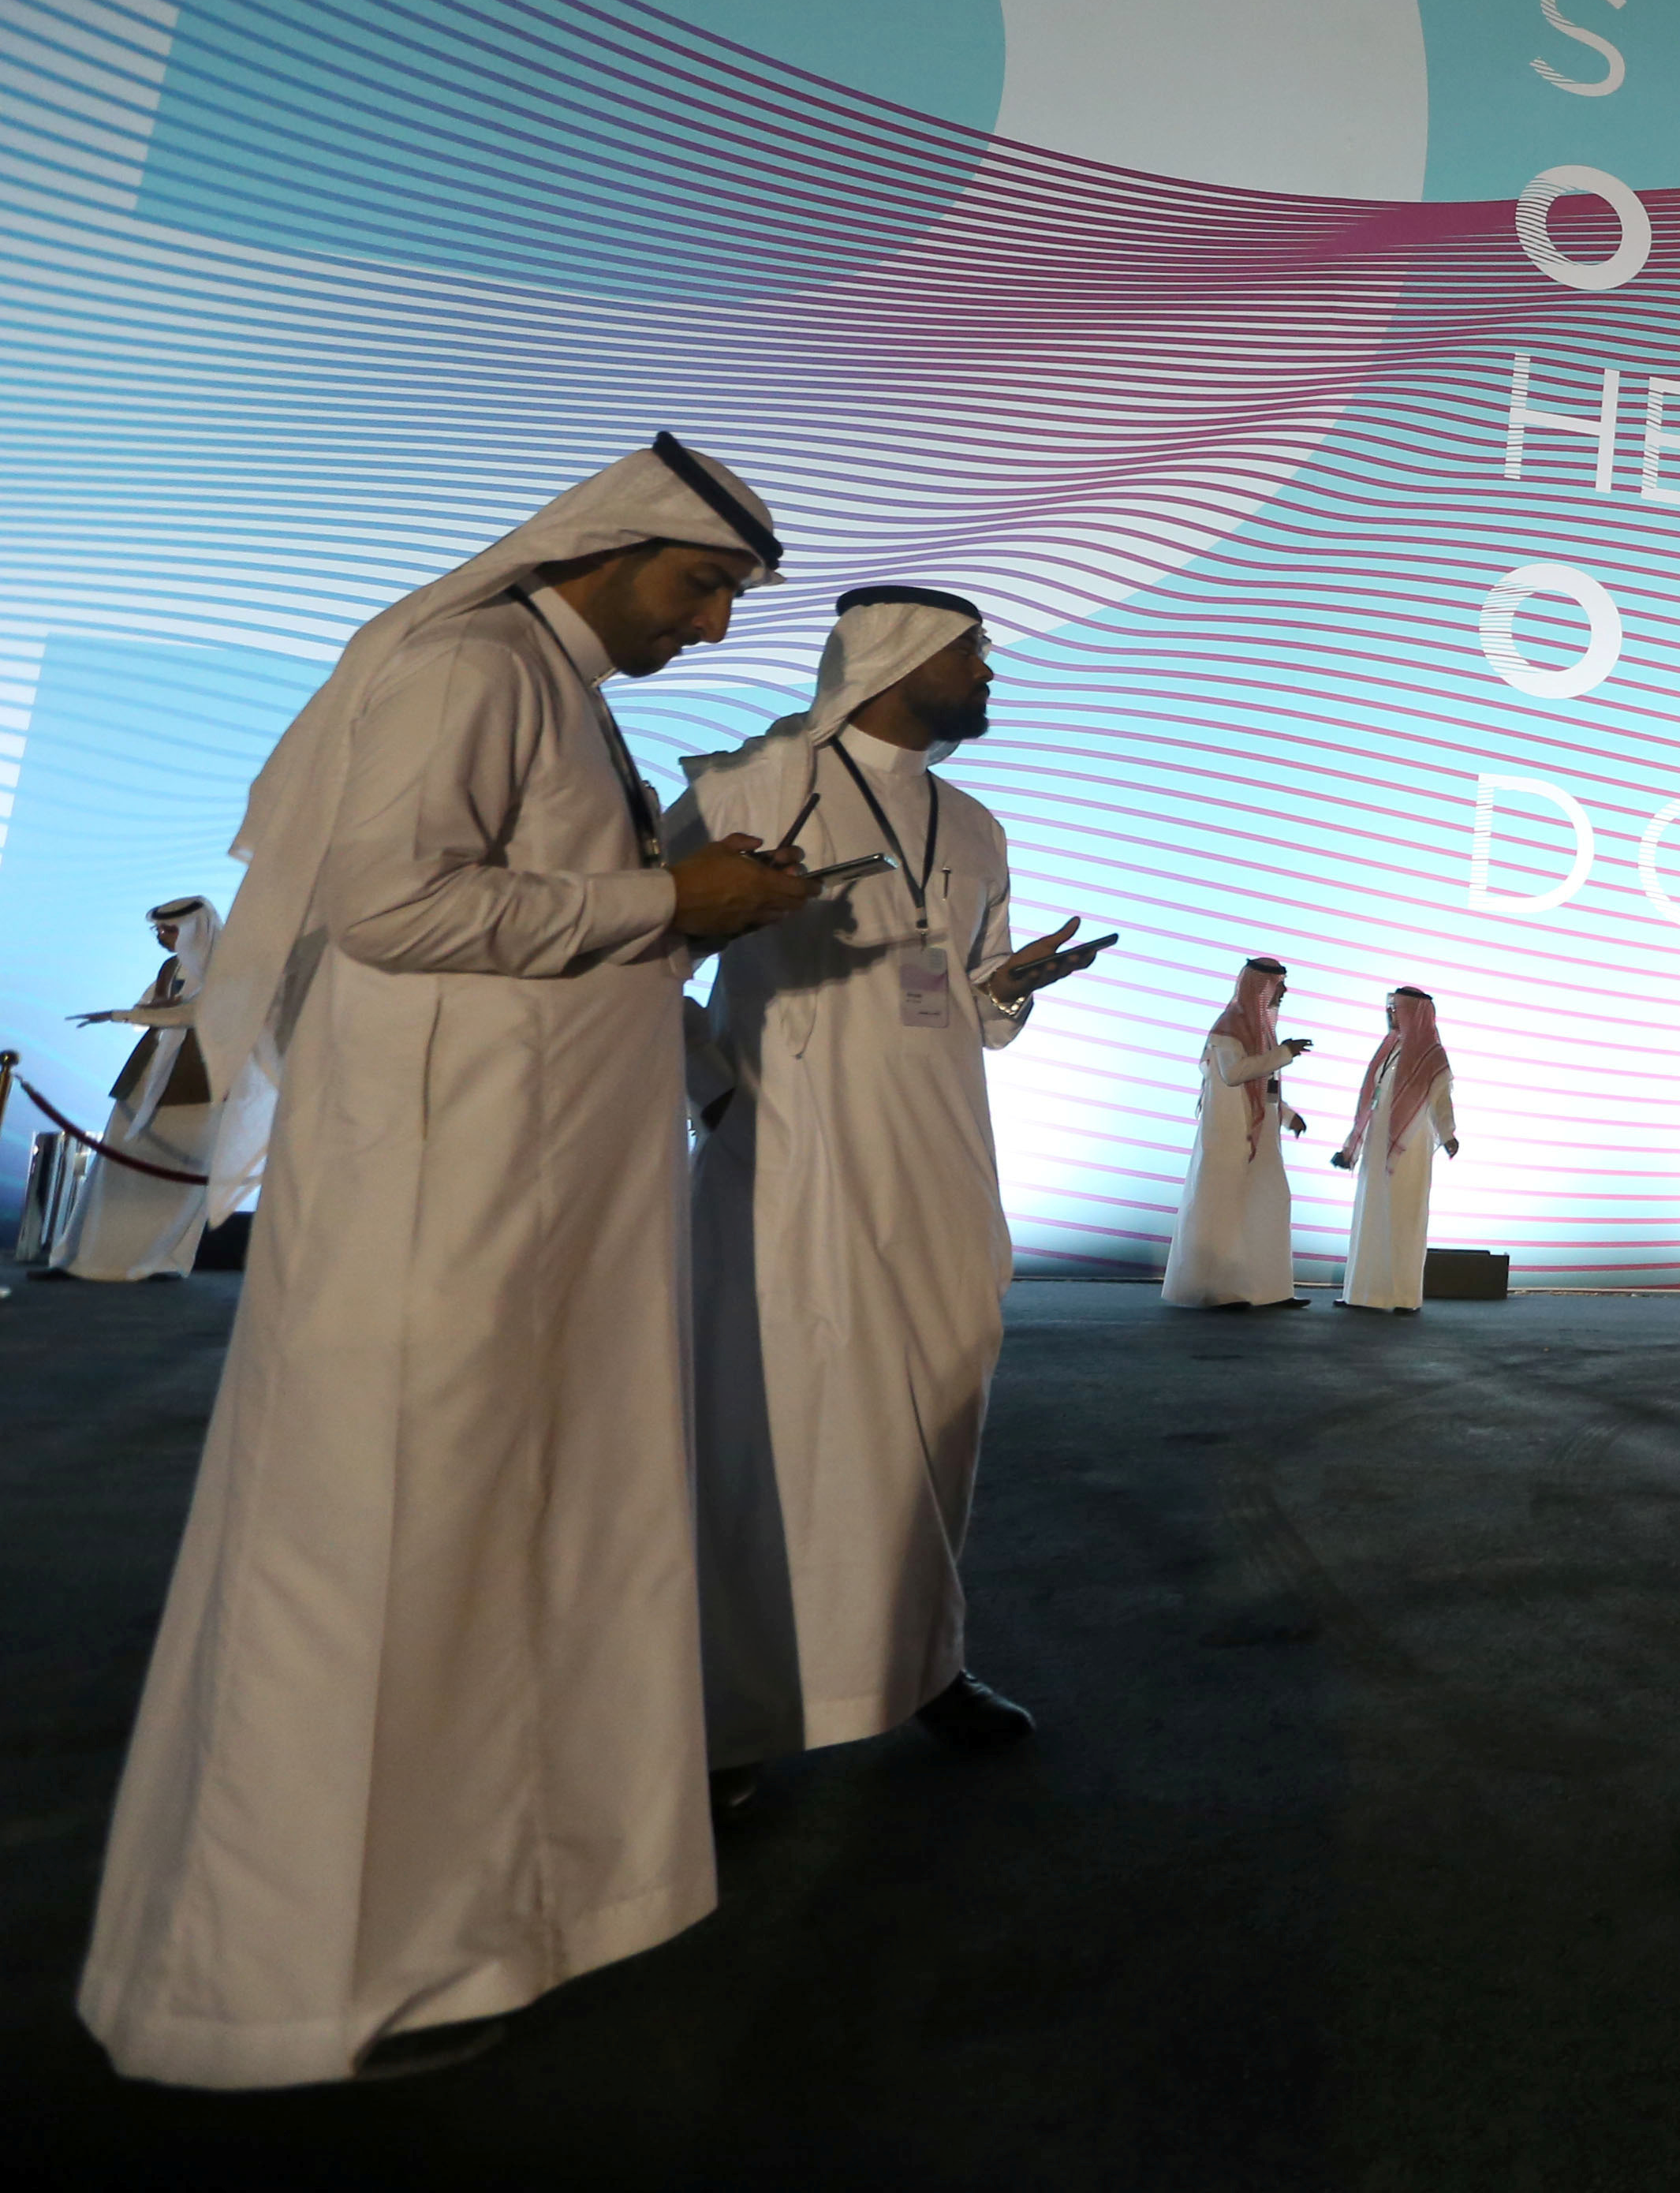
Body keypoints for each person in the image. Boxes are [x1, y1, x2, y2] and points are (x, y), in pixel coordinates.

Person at [80, 435, 813, 2088]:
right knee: (382, 1551)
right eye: (699, 588)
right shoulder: (472, 664)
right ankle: (292, 1986)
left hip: (521, 1202)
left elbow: (538, 905)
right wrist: (661, 899)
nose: (709, 630)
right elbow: (391, 904)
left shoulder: (555, 690)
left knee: (489, 1544)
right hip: (439, 1205)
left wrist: (686, 909)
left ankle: (453, 1927)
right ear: (606, 551)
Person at [674, 585, 1098, 1788]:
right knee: (779, 1432)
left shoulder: (973, 824)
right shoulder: (748, 787)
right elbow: (629, 953)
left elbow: (963, 1003)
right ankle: (732, 1718)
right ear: (893, 659)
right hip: (790, 1164)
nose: (988, 675)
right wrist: (711, 1094)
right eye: (971, 655)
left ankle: (921, 1663)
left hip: (944, 1162)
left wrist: (1007, 989)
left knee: (939, 1412)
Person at [58, 897, 220, 1280]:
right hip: (148, 1072)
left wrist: (124, 1014)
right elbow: (150, 1008)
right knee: (117, 1161)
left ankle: (162, 1261)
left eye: (169, 930)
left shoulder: (226, 969)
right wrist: (143, 1011)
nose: (162, 938)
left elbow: (193, 1015)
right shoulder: (172, 966)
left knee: (179, 1169)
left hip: (197, 1079)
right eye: (159, 931)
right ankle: (88, 1258)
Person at [1164, 961, 1309, 1308]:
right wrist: (1284, 1054)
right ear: (1260, 989)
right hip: (1229, 1132)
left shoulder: (1260, 1031)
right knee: (1225, 1207)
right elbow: (1234, 1074)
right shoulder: (1228, 1030)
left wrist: (1287, 1116)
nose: (1284, 993)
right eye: (1278, 986)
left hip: (1260, 1134)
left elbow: (1264, 1086)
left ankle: (1269, 1290)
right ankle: (1217, 1290)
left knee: (1269, 1203)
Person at [1330, 985, 1459, 1315]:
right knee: (1372, 1213)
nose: (1390, 1015)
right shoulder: (1388, 1050)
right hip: (1377, 1143)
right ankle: (1364, 1292)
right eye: (1389, 1009)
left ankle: (1400, 1295)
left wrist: (1448, 1135)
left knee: (1403, 1216)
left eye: (1396, 1009)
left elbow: (1440, 1101)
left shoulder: (1432, 1057)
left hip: (1409, 1148)